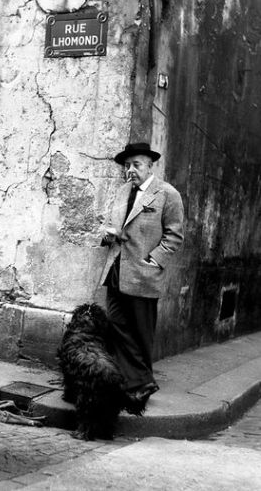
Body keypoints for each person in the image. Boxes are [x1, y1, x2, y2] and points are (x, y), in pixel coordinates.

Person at [99, 142, 184, 407]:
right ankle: (139, 382)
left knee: (141, 331)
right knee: (116, 325)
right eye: (127, 166)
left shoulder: (168, 194)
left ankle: (138, 385)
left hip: (143, 273)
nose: (130, 171)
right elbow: (114, 224)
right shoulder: (123, 191)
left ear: (150, 165)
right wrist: (107, 235)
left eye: (136, 164)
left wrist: (153, 259)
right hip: (116, 269)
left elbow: (174, 236)